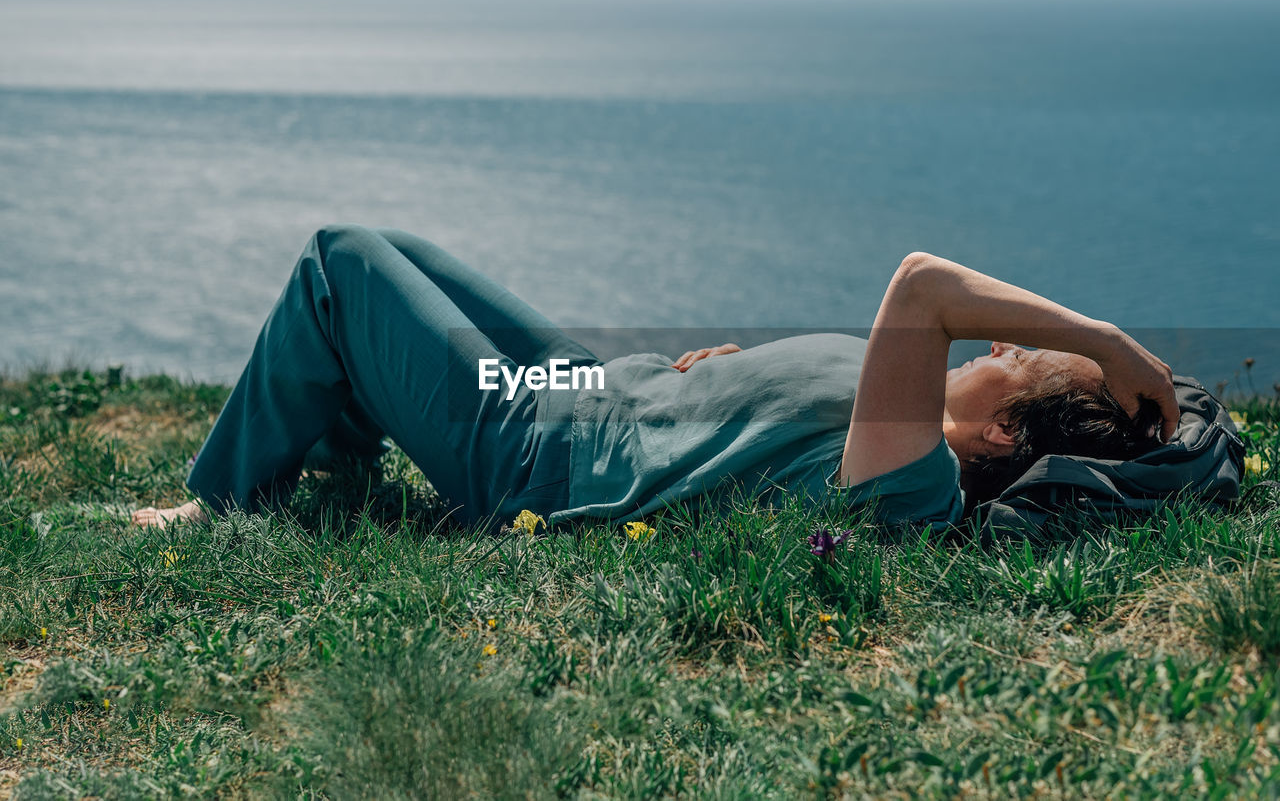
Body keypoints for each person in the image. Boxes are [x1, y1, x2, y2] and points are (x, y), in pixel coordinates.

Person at [131, 226, 1178, 533]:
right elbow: (775, 416)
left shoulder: (913, 484)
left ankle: (221, 502)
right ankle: (337, 453)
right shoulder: (891, 422)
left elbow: (921, 287)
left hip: (535, 453)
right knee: (400, 253)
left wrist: (1105, 343)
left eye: (1023, 361)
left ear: (1001, 437)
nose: (1001, 344)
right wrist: (713, 386)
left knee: (340, 263)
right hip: (592, 389)